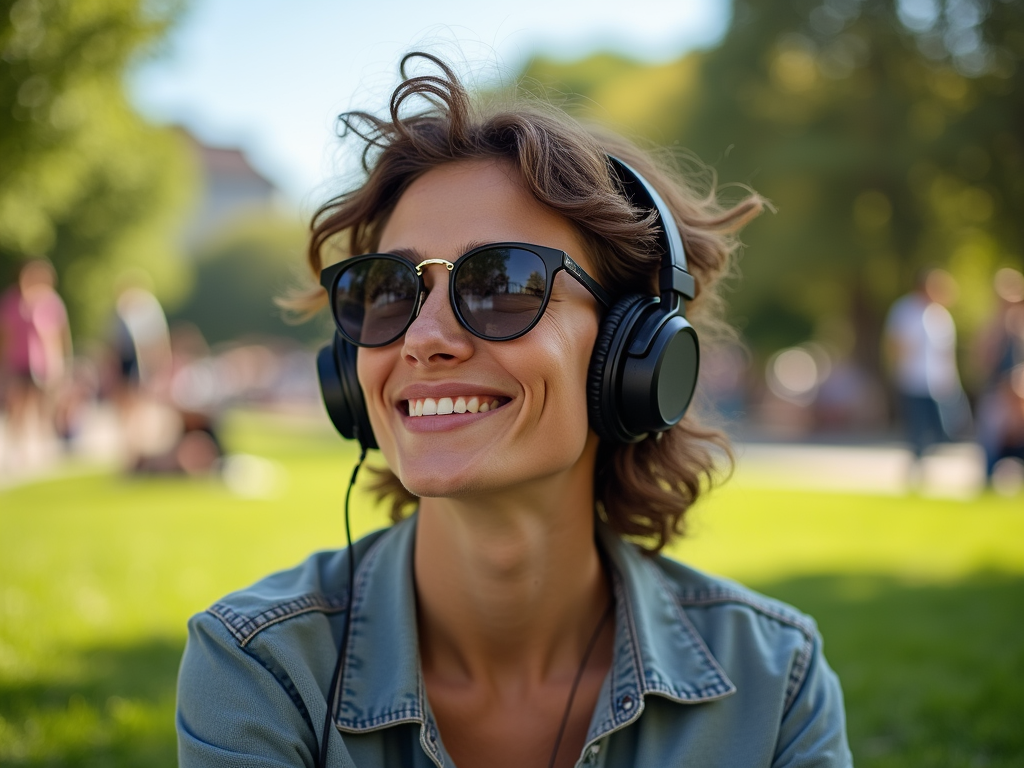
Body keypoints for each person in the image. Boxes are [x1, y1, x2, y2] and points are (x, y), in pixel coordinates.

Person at [177, 54, 852, 767]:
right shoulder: (258, 667)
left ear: (631, 354)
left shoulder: (776, 681)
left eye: (502, 285)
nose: (424, 339)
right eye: (389, 290)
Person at [883, 268, 970, 481]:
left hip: (938, 382)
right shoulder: (904, 309)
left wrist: (952, 381)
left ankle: (924, 460)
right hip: (912, 380)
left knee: (941, 428)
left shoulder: (940, 315)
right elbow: (893, 344)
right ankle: (917, 465)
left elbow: (947, 353)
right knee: (916, 425)